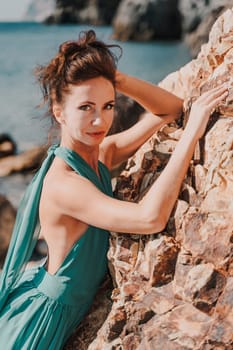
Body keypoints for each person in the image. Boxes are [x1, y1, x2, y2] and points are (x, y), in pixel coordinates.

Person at [0, 30, 228, 349]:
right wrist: (193, 132)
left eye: (108, 106)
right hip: (40, 321)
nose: (99, 121)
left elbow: (170, 110)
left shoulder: (99, 154)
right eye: (85, 108)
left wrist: (116, 80)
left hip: (59, 305)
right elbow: (150, 218)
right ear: (59, 111)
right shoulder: (65, 184)